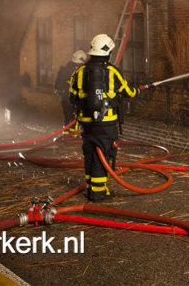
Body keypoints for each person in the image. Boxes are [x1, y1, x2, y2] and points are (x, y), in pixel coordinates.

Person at [70, 34, 146, 202]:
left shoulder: (80, 72)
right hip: (106, 123)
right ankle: (98, 192)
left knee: (90, 153)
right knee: (103, 155)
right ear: (108, 53)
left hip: (87, 123)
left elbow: (72, 97)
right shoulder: (113, 72)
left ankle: (90, 188)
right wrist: (137, 91)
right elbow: (129, 92)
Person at [55, 50, 87, 134]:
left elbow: (58, 85)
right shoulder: (81, 70)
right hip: (75, 99)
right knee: (74, 119)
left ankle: (66, 135)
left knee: (67, 118)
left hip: (65, 98)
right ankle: (72, 138)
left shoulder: (66, 68)